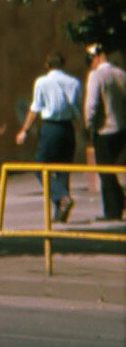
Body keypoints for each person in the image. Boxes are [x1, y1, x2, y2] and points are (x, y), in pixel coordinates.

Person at [15, 50, 84, 223]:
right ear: (64, 64)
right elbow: (78, 108)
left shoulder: (42, 82)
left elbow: (35, 108)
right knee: (63, 169)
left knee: (40, 167)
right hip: (67, 128)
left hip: (50, 128)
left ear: (47, 65)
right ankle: (60, 212)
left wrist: (24, 130)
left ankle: (61, 197)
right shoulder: (74, 82)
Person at [86, 43, 125, 223]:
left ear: (97, 57)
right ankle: (120, 201)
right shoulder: (121, 74)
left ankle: (112, 210)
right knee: (118, 169)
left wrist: (89, 126)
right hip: (122, 128)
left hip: (105, 130)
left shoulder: (96, 76)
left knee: (105, 173)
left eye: (90, 59)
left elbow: (92, 105)